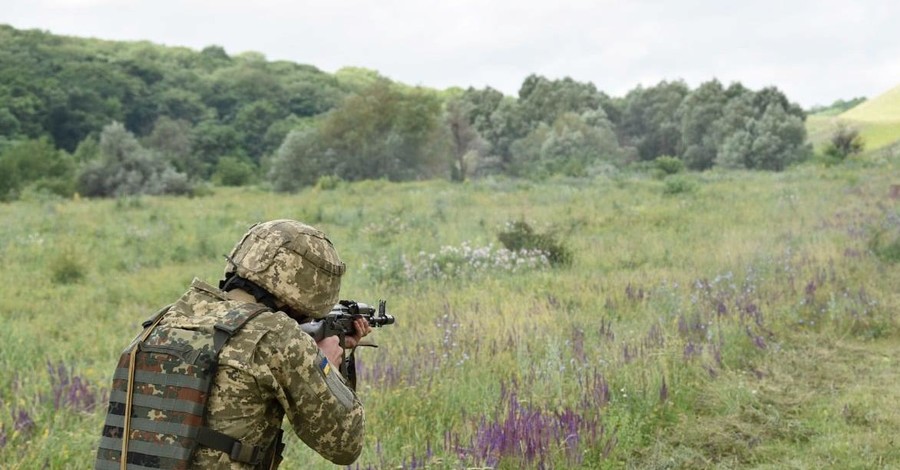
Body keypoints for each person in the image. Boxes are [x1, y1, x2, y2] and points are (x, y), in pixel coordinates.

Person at [95, 219, 369, 469]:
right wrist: (328, 367)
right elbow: (345, 445)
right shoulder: (279, 336)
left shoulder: (168, 317)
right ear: (310, 286)